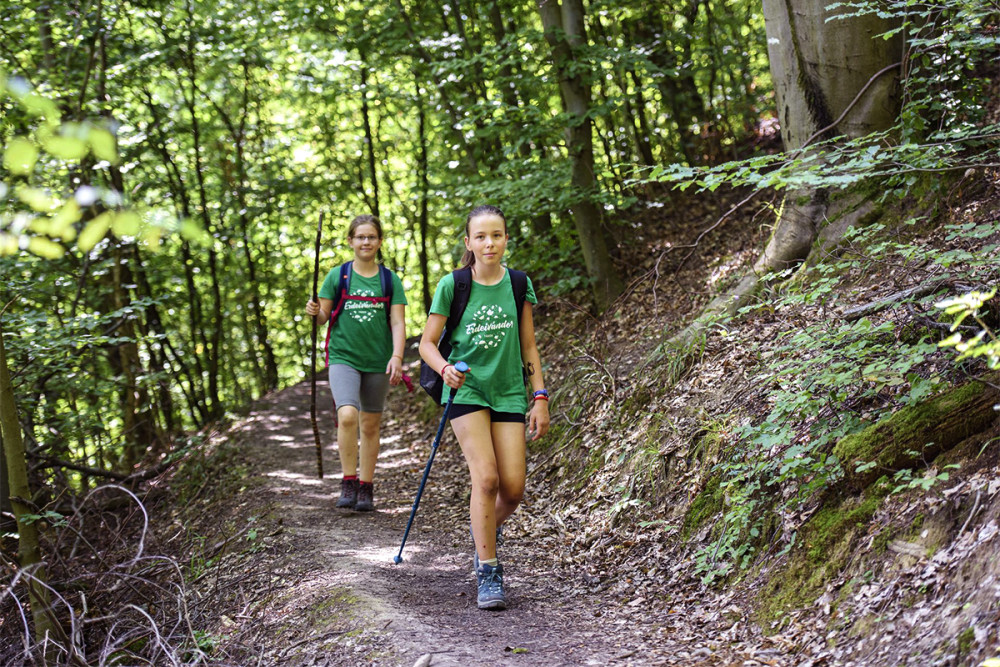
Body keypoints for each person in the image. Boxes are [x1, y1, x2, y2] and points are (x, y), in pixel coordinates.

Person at [419, 204, 550, 610]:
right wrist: (444, 369)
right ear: (468, 243)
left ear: (506, 238)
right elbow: (426, 344)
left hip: (509, 392)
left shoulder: (518, 284)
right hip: (467, 392)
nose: (489, 243)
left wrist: (540, 397)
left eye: (496, 235)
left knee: (513, 490)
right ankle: (489, 570)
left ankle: (481, 538)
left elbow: (528, 344)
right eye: (481, 236)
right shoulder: (453, 285)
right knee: (487, 479)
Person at [306, 214, 407, 512]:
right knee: (348, 414)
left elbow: (399, 323)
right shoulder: (338, 276)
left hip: (377, 359)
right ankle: (348, 481)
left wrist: (397, 357)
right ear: (350, 241)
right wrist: (314, 311)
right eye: (360, 237)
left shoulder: (390, 280)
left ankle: (366, 486)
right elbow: (323, 317)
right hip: (343, 357)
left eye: (371, 237)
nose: (366, 242)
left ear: (379, 241)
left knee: (371, 424)